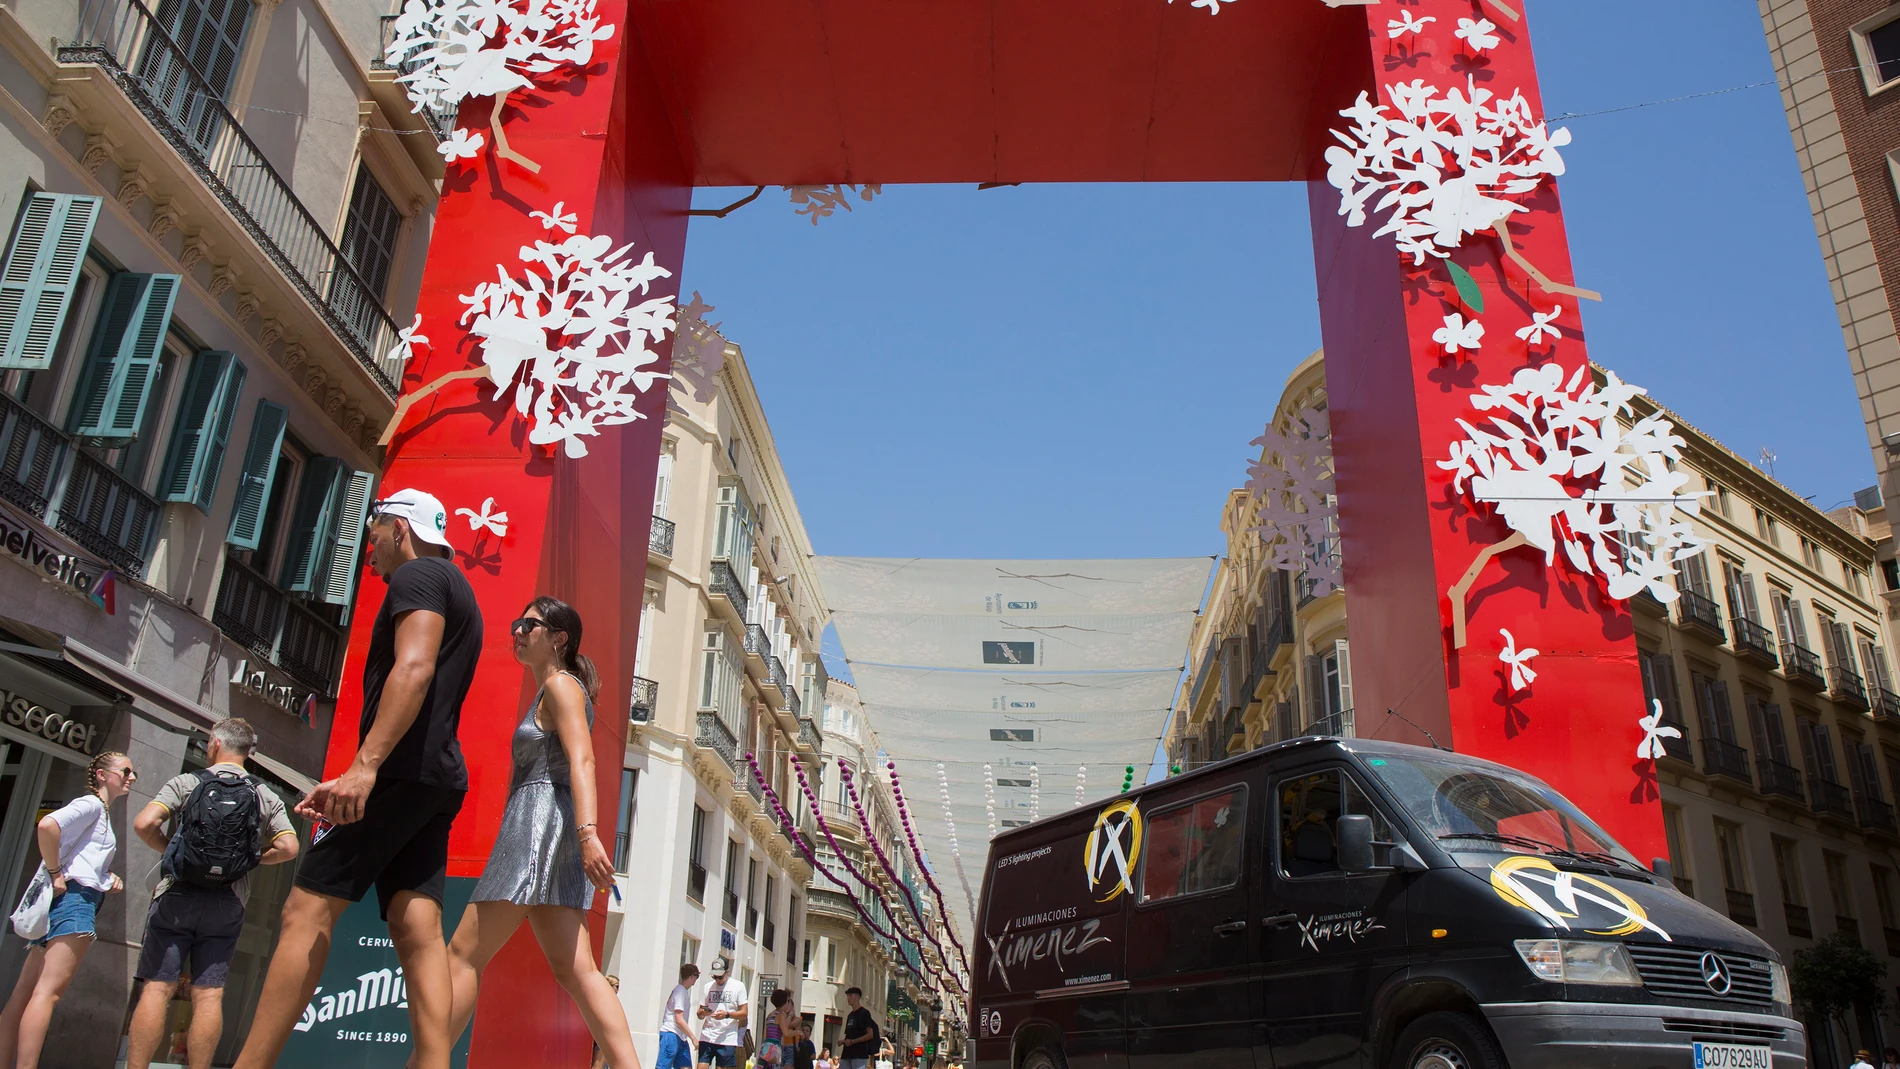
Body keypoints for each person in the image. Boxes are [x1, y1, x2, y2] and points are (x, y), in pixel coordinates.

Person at [232, 488, 481, 1069]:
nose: (367, 545)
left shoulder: (417, 578)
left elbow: (414, 667)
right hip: (437, 775)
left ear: (402, 529)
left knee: (305, 910)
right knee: (414, 920)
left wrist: (364, 768)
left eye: (374, 531)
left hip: (396, 772)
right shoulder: (458, 586)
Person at [423, 596, 643, 1069]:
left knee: (462, 954)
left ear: (559, 639)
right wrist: (581, 834)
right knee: (577, 970)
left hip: (539, 822)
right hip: (555, 825)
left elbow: (583, 758)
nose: (518, 631)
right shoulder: (558, 688)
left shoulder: (560, 687)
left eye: (531, 624)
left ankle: (425, 1063)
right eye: (517, 623)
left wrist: (588, 834)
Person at [127, 719, 300, 1069]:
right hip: (228, 901)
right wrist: (251, 862)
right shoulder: (262, 794)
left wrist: (170, 854)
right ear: (248, 753)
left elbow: (144, 823)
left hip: (177, 894)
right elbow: (289, 847)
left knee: (157, 988)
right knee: (209, 994)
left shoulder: (188, 783)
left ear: (214, 744)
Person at [0, 751, 135, 1069]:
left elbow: (81, 860)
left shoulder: (100, 812)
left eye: (134, 773)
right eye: (126, 771)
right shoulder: (91, 805)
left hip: (61, 902)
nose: (132, 777)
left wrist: (105, 877)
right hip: (74, 904)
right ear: (103, 775)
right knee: (46, 995)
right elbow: (48, 825)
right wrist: (55, 871)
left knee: (25, 994)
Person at [695, 957, 749, 1069]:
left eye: (720, 976)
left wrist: (727, 1015)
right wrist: (703, 1013)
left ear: (727, 972)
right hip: (707, 1035)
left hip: (727, 1038)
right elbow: (699, 1013)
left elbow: (744, 1013)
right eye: (714, 976)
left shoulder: (738, 986)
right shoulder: (708, 987)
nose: (717, 980)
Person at [657, 963, 699, 1069]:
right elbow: (679, 1019)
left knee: (685, 1067)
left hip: (680, 1036)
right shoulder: (680, 992)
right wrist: (693, 1038)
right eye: (697, 976)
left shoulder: (682, 992)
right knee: (663, 1066)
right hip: (671, 1033)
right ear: (692, 976)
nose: (696, 979)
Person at [838, 988, 879, 1069]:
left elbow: (870, 1035)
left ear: (857, 997)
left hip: (859, 1053)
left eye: (850, 995)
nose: (848, 998)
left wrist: (853, 1041)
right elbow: (849, 1035)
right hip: (847, 1053)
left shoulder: (864, 1013)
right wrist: (843, 1041)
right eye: (847, 996)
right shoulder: (850, 1015)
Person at [590, 976, 622, 1069]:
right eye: (616, 986)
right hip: (604, 1038)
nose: (618, 990)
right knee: (598, 1066)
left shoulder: (606, 1001)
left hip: (606, 1038)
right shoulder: (604, 1001)